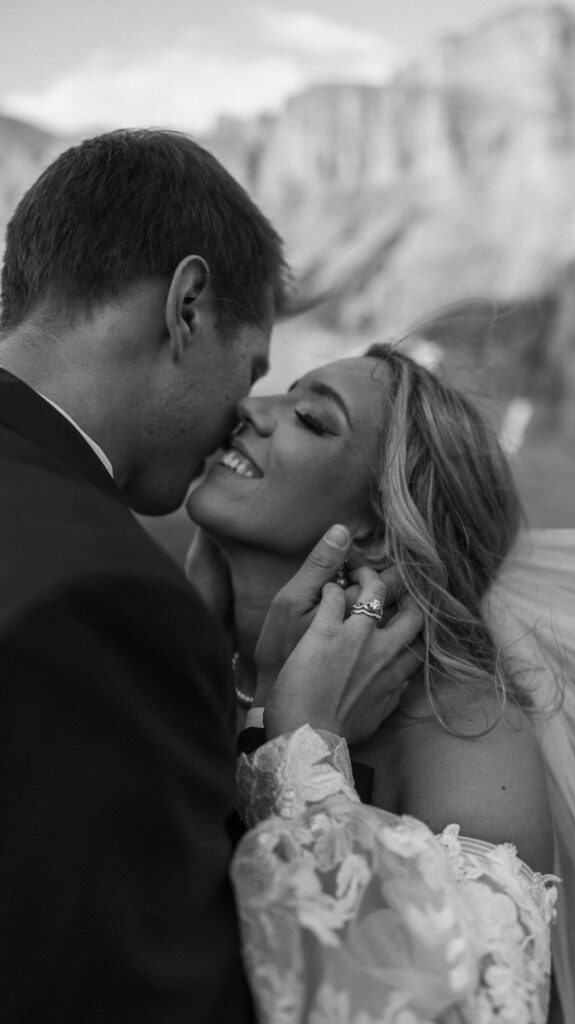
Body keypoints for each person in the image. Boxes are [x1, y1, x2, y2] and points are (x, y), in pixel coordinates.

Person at [0, 130, 432, 1024]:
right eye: (256, 368)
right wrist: (296, 760)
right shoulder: (109, 602)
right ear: (188, 307)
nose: (246, 411)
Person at [187, 345, 575, 1024]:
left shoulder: (463, 729)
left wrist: (303, 742)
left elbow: (450, 1010)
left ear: (375, 532)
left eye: (311, 418)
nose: (251, 408)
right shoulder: (183, 645)